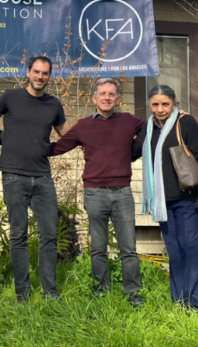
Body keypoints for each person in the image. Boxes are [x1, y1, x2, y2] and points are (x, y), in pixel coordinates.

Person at [50, 77, 144, 306]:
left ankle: (133, 293)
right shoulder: (83, 126)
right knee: (98, 248)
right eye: (102, 94)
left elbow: (152, 129)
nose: (107, 98)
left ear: (118, 99)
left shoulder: (129, 121)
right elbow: (58, 147)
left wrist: (134, 151)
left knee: (129, 249)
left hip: (122, 192)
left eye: (111, 94)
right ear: (94, 98)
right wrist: (26, 144)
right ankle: (102, 290)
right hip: (95, 193)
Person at [132, 84, 198, 310]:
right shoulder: (148, 128)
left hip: (188, 200)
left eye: (165, 104)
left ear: (174, 104)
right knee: (175, 253)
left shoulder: (185, 123)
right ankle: (180, 301)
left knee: (192, 249)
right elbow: (131, 151)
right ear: (149, 105)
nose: (160, 109)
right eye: (155, 104)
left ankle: (197, 303)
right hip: (163, 204)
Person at [0, 55, 71, 303]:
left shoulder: (53, 104)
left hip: (42, 177)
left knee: (49, 234)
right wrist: (3, 140)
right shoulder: (10, 97)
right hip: (14, 176)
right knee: (18, 235)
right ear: (28, 72)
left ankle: (50, 292)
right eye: (36, 72)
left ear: (50, 76)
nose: (40, 77)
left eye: (45, 73)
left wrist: (50, 149)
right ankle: (22, 293)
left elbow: (67, 136)